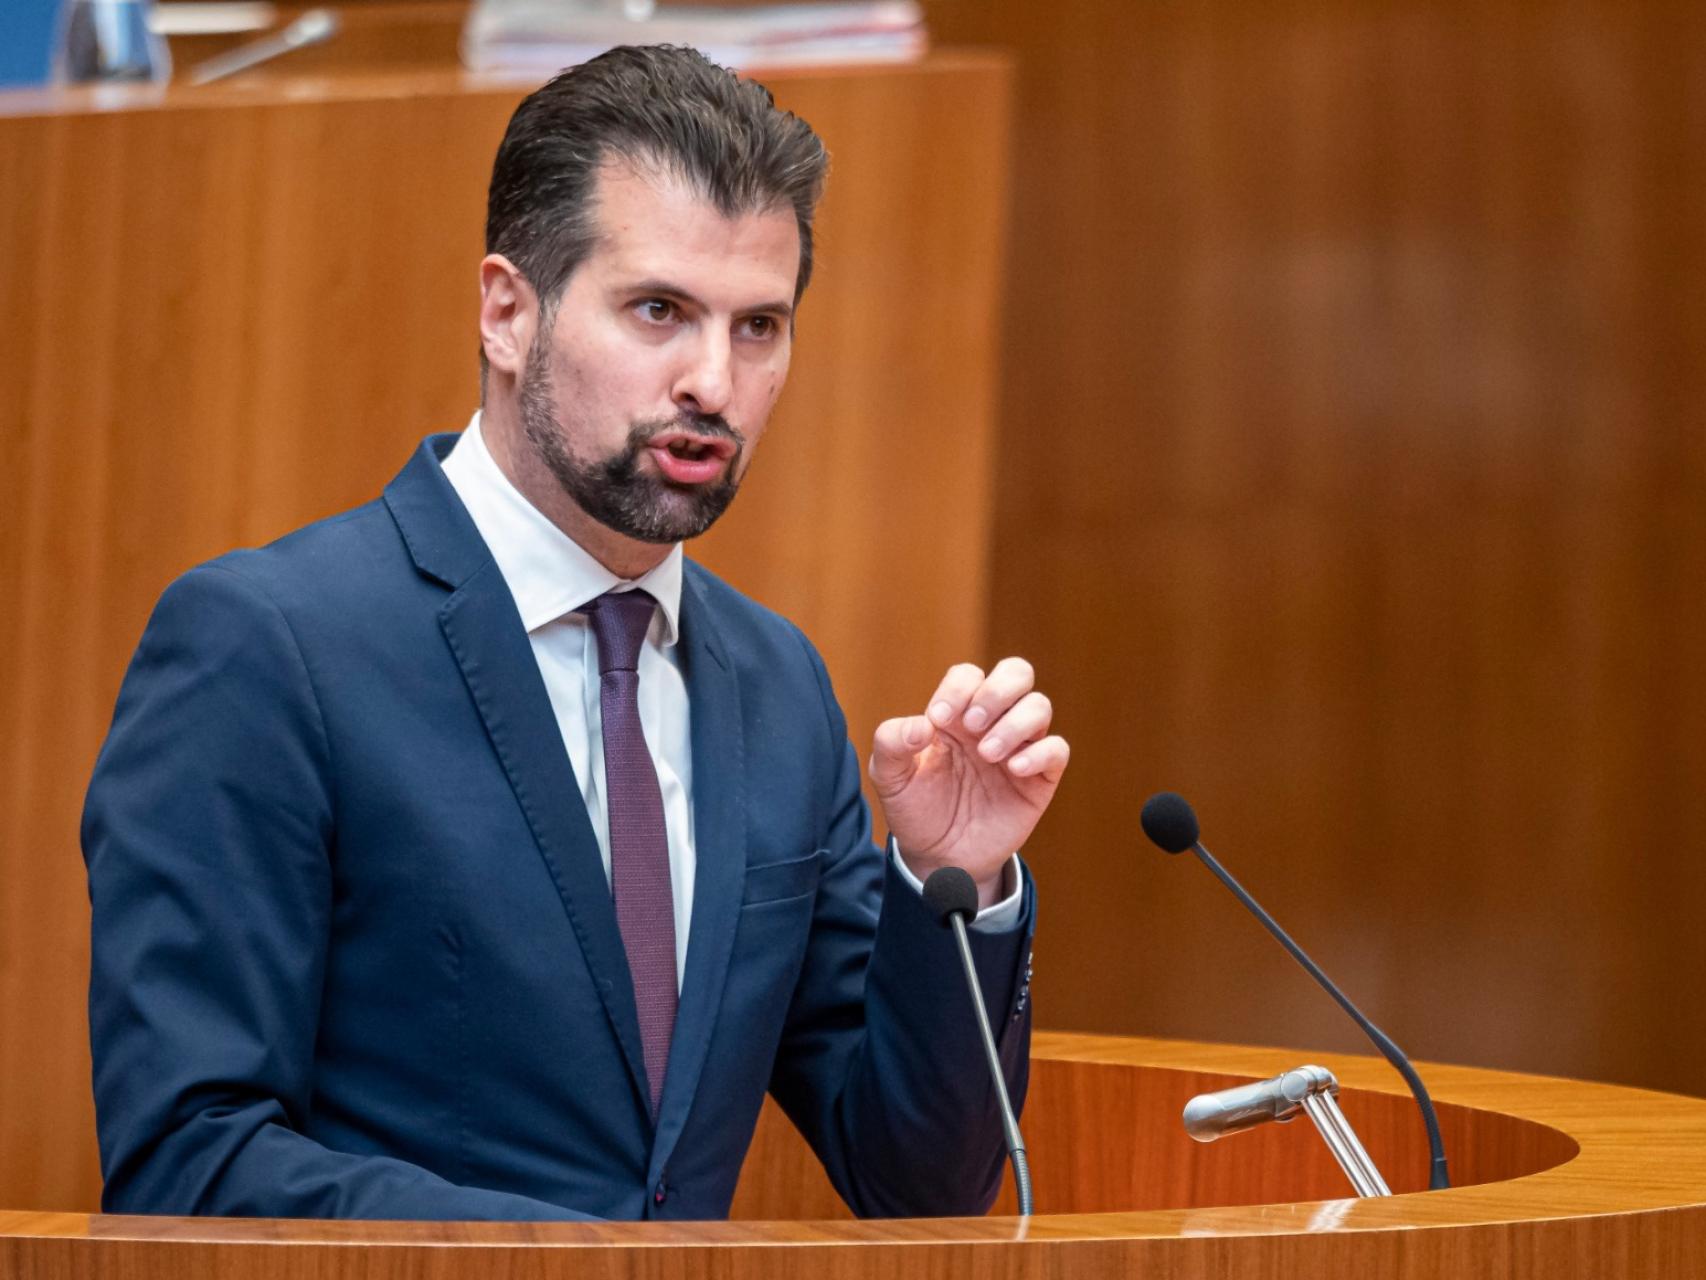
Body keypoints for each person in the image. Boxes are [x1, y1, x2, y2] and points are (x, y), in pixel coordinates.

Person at [81, 44, 1068, 1223]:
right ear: (507, 312)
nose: (713, 381)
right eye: (660, 310)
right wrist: (585, 1260)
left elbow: (916, 1181)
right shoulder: (268, 646)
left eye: (759, 326)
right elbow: (190, 1161)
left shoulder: (776, 686)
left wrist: (951, 882)